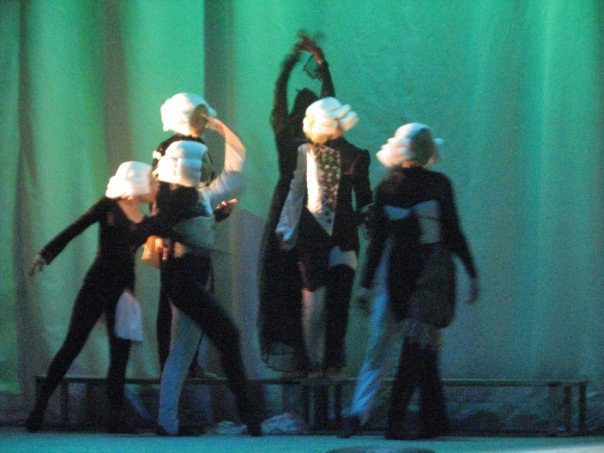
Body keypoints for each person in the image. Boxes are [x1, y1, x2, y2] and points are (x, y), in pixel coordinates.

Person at [339, 123, 479, 439]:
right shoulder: (425, 185)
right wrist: (471, 272)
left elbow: (382, 242)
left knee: (421, 348)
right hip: (420, 273)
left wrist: (365, 285)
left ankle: (430, 419)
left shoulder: (396, 187)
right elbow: (448, 231)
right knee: (418, 348)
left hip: (417, 273)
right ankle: (404, 421)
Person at [26, 162, 159, 433]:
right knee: (73, 343)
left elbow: (177, 230)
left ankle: (115, 418)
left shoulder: (148, 222)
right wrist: (46, 254)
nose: (156, 187)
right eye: (152, 182)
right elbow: (75, 228)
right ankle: (39, 407)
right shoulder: (108, 207)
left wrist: (217, 213)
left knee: (120, 353)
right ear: (137, 184)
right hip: (97, 284)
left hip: (124, 292)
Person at [152, 136, 261, 437]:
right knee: (227, 334)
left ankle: (167, 422)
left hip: (193, 277)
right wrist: (176, 237)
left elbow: (229, 182)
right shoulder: (176, 198)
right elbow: (156, 224)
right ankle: (248, 414)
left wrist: (220, 215)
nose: (203, 168)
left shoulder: (194, 196)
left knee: (181, 352)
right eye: (199, 163)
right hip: (183, 280)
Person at [275, 96, 372, 378]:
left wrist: (370, 228)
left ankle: (331, 363)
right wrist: (286, 227)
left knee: (338, 304)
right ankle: (312, 362)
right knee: (314, 304)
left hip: (344, 237)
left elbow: (364, 198)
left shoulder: (357, 155)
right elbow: (296, 191)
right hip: (312, 238)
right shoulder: (306, 152)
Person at [258, 33, 335, 376]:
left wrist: (290, 62)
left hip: (288, 206)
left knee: (284, 281)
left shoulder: (284, 133)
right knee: (312, 283)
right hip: (311, 206)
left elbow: (278, 97)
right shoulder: (319, 139)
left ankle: (301, 357)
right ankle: (311, 357)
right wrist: (320, 61)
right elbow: (330, 101)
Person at [151, 93, 239, 372]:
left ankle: (188, 364)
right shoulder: (169, 148)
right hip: (175, 239)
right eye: (198, 117)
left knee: (197, 299)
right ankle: (174, 365)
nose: (204, 123)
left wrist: (216, 212)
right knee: (174, 303)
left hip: (194, 237)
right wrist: (162, 234)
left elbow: (200, 197)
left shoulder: (199, 147)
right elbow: (161, 197)